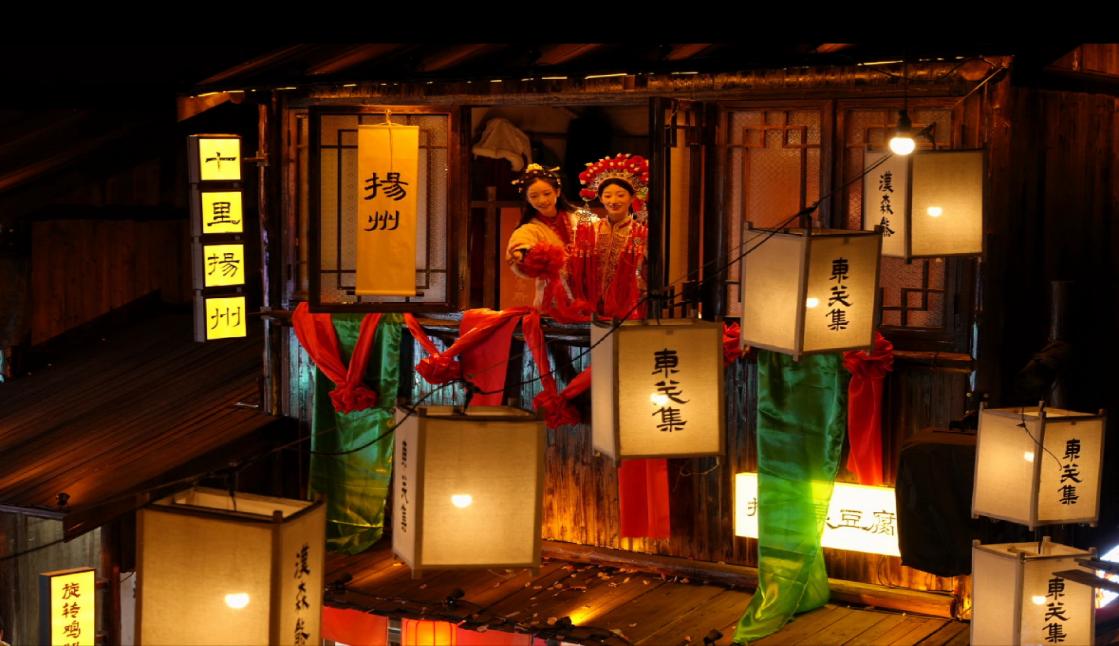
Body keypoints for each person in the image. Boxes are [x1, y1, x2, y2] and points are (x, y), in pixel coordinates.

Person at [505, 164, 593, 320]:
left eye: (547, 193)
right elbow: (521, 243)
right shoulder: (530, 228)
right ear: (527, 199)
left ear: (557, 192)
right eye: (534, 196)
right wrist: (521, 254)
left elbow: (600, 236)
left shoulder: (580, 217)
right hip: (554, 298)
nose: (542, 200)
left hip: (589, 290)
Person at [575, 153, 650, 319]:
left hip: (630, 308)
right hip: (593, 308)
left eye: (621, 195)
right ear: (600, 198)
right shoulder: (590, 231)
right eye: (607, 195)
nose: (613, 201)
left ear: (632, 197)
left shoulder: (642, 233)